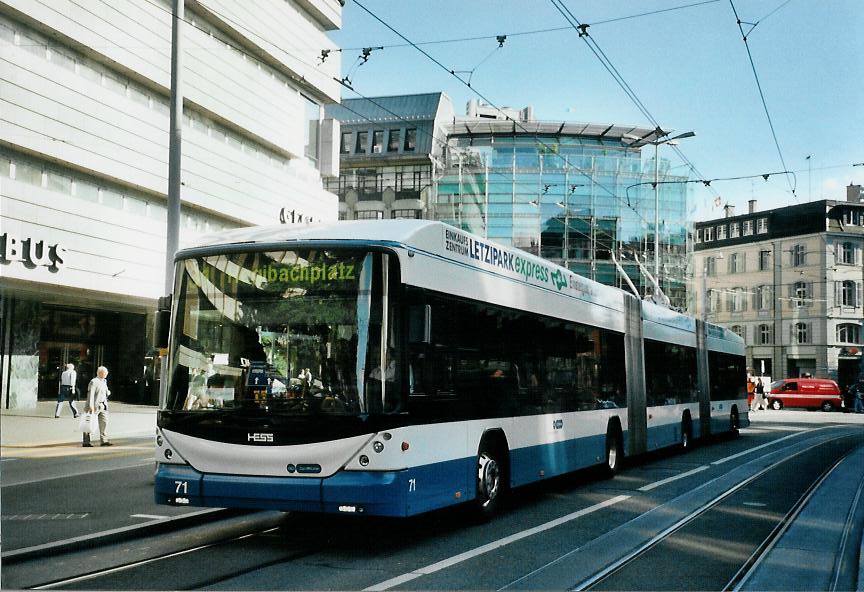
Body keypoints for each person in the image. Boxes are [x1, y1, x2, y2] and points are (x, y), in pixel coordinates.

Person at [83, 366, 112, 447]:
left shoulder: (104, 381)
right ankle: (86, 441)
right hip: (95, 405)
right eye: (105, 373)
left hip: (103, 405)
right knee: (89, 423)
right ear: (100, 373)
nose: (106, 374)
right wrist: (90, 406)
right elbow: (90, 395)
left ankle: (104, 440)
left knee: (104, 422)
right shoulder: (94, 381)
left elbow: (105, 391)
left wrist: (108, 392)